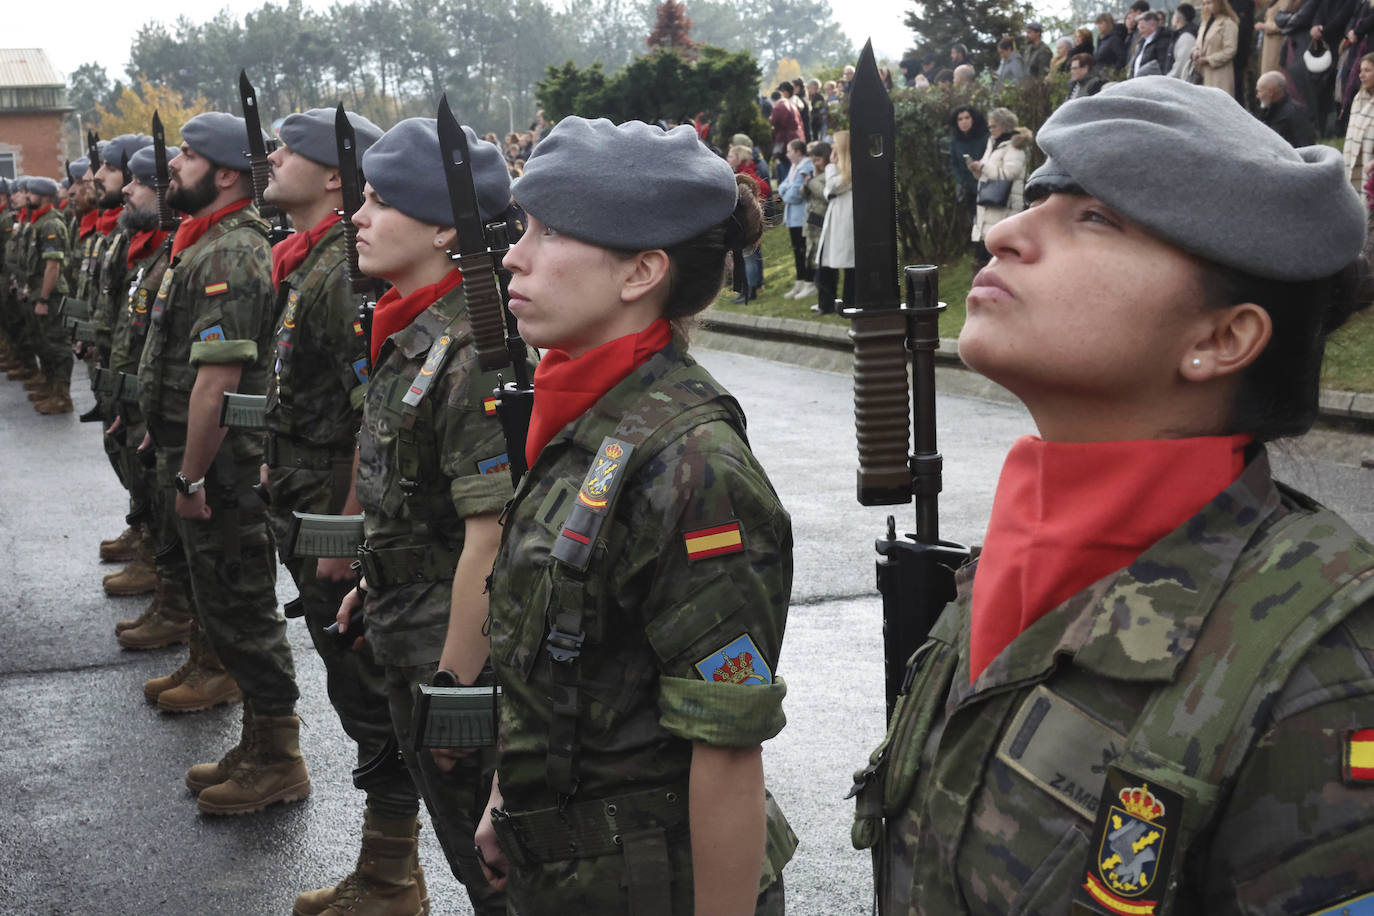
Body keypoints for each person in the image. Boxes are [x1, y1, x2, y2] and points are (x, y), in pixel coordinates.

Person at [851, 74, 1374, 916]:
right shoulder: (1011, 570)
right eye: (1037, 201)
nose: (1009, 233)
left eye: (1094, 218)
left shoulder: (1321, 670)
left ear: (1221, 336)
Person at [471, 114, 796, 916]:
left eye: (548, 233)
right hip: (573, 868)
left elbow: (725, 749)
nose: (514, 254)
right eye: (522, 227)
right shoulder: (586, 418)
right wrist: (508, 796)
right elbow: (563, 664)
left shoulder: (694, 465)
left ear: (640, 272)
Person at [334, 116, 522, 916]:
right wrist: (373, 581)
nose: (357, 216)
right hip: (409, 622)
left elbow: (492, 533)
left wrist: (453, 690)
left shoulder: (473, 347)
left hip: (456, 647)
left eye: (380, 201)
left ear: (446, 227)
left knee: (502, 875)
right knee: (462, 856)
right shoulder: (412, 328)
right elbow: (415, 501)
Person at [136, 111, 306, 815]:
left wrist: (191, 476)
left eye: (186, 154)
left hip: (226, 468)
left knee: (244, 609)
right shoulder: (203, 242)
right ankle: (259, 742)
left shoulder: (232, 253)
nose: (172, 164)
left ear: (225, 172)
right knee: (222, 601)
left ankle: (280, 757)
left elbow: (219, 380)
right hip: (203, 454)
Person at [16, 175, 72, 416]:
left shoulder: (51, 224)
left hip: (50, 294)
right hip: (38, 290)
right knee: (42, 342)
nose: (27, 196)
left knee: (56, 345)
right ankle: (51, 387)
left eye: (32, 193)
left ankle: (62, 396)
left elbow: (52, 266)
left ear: (45, 196)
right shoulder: (38, 222)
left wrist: (43, 299)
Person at [968, 107, 1032, 271]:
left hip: (1005, 205)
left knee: (999, 255)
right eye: (989, 126)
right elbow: (987, 171)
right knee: (982, 253)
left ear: (1005, 125)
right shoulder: (992, 142)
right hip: (988, 204)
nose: (990, 129)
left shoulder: (1015, 145)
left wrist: (983, 167)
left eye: (993, 126)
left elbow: (1010, 173)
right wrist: (976, 169)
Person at [1284, 0, 1356, 135]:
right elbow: (1319, 13)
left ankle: (1338, 127)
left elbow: (1343, 17)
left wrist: (1323, 31)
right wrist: (1315, 26)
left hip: (1339, 45)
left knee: (1339, 90)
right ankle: (1320, 125)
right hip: (1323, 46)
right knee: (1320, 89)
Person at [814, 129, 854, 315]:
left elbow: (831, 187)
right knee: (827, 262)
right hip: (835, 219)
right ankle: (826, 303)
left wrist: (831, 167)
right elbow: (829, 191)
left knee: (848, 263)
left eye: (835, 149)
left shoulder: (849, 171)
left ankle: (848, 304)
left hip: (845, 221)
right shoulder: (840, 171)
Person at [727, 144, 770, 302]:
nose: (727, 159)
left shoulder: (746, 173)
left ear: (738, 158)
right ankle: (754, 285)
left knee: (749, 258)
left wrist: (754, 203)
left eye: (731, 156)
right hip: (750, 221)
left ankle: (749, 290)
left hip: (747, 223)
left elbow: (764, 187)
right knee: (753, 257)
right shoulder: (747, 170)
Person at [778, 139, 816, 300]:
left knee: (804, 250)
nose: (787, 154)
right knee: (797, 250)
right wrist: (786, 192)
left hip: (802, 217)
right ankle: (800, 280)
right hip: (792, 217)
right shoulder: (794, 167)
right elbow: (782, 186)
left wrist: (786, 194)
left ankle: (810, 282)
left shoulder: (806, 167)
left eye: (789, 151)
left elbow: (795, 194)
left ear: (799, 152)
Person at [949, 106, 990, 232]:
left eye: (967, 117)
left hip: (988, 186)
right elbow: (953, 164)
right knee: (976, 225)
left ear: (973, 119)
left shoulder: (985, 137)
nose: (964, 122)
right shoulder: (955, 141)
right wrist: (963, 182)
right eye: (960, 119)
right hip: (969, 190)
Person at [1192, 0, 1241, 93]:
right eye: (1204, 4)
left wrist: (1208, 59)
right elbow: (1197, 43)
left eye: (1209, 3)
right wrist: (1195, 51)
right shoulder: (1204, 23)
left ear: (1218, 3)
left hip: (1219, 74)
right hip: (1201, 74)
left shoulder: (1228, 23)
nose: (1206, 7)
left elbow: (1230, 50)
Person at [1257, 69, 1317, 143]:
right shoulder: (1267, 112)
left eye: (1259, 91)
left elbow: (1306, 143)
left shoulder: (1296, 113)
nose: (1258, 96)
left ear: (1270, 92)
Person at [802, 140, 830, 291]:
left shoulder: (829, 174)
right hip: (812, 218)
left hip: (822, 217)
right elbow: (804, 193)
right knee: (811, 251)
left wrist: (811, 183)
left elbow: (823, 193)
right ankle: (814, 284)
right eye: (814, 161)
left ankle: (819, 285)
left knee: (821, 253)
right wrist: (806, 184)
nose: (816, 164)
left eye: (818, 160)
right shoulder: (816, 174)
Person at [1344, 53, 1374, 192]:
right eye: (1361, 71)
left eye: (1367, 70)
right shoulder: (1359, 100)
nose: (1361, 75)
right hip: (1357, 169)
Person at [1131, 11, 1170, 75]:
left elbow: (1161, 66)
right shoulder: (1142, 41)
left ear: (1153, 26)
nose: (1139, 31)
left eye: (1142, 27)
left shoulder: (1162, 41)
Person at [1169, 3, 1201, 76]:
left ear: (1177, 19)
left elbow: (1180, 68)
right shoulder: (1180, 34)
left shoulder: (1186, 37)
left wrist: (1166, 81)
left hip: (1176, 84)